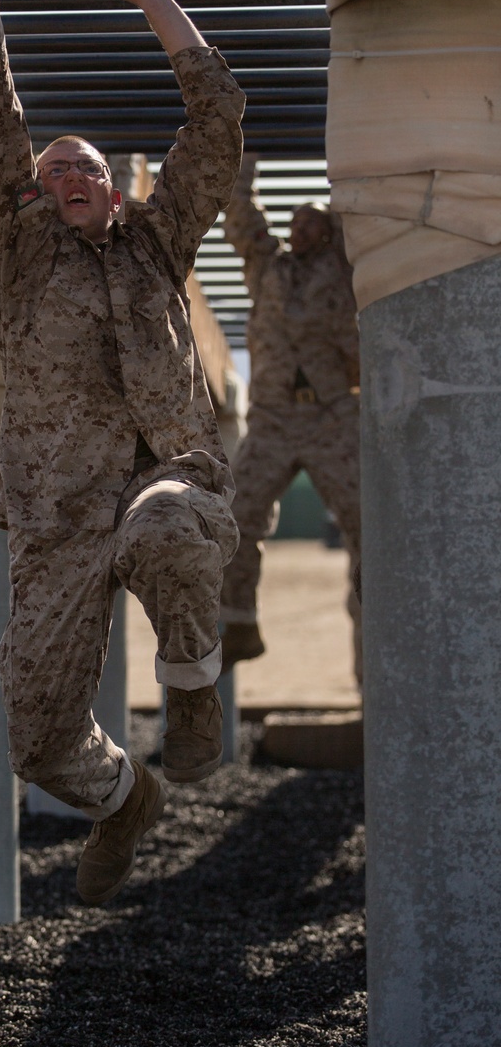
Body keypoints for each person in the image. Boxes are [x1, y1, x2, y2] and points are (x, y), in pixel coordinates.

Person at [0, 0, 245, 906]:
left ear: (118, 194)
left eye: (88, 168)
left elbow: (217, 126)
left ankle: (195, 691)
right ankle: (125, 800)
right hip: (54, 510)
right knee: (33, 733)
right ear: (33, 199)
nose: (67, 174)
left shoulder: (157, 248)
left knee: (167, 526)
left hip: (165, 473)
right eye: (52, 171)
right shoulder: (22, 259)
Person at [219, 155, 361, 679]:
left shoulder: (343, 266)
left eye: (313, 222)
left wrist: (341, 151)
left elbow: (353, 210)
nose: (300, 228)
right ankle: (238, 623)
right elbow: (241, 215)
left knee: (369, 522)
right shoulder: (267, 266)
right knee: (235, 515)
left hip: (333, 413)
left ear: (327, 232)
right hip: (274, 416)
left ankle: (379, 629)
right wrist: (245, 154)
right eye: (295, 221)